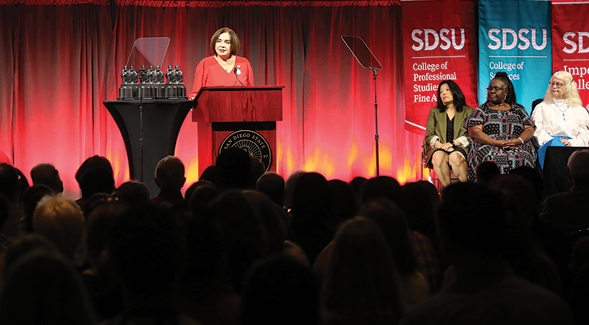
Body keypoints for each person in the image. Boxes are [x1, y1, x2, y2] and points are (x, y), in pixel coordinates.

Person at [466, 72, 537, 181]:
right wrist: (497, 143)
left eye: (496, 89)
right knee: (491, 158)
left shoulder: (518, 110)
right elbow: (475, 133)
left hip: (516, 144)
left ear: (506, 92)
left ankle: (522, 191)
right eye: (490, 88)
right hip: (488, 144)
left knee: (523, 157)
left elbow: (529, 128)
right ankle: (492, 192)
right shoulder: (481, 111)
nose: (492, 91)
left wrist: (518, 141)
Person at [531, 70, 589, 169]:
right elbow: (537, 132)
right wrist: (554, 142)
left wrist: (571, 143)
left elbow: (584, 134)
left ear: (568, 87)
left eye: (558, 84)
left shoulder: (579, 110)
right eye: (552, 83)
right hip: (549, 148)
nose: (554, 87)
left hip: (573, 148)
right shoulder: (541, 107)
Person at [424, 80, 474, 187]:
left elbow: (471, 134)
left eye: (447, 90)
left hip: (460, 147)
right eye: (441, 92)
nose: (444, 93)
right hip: (440, 147)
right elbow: (429, 135)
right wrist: (443, 146)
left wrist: (452, 144)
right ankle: (448, 191)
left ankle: (467, 189)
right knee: (438, 157)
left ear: (455, 92)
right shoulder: (435, 112)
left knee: (455, 157)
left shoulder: (468, 111)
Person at [188, 27, 254, 99]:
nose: (222, 45)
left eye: (227, 42)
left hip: (240, 108)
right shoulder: (205, 64)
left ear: (233, 45)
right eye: (218, 41)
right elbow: (196, 94)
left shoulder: (244, 63)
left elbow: (252, 93)